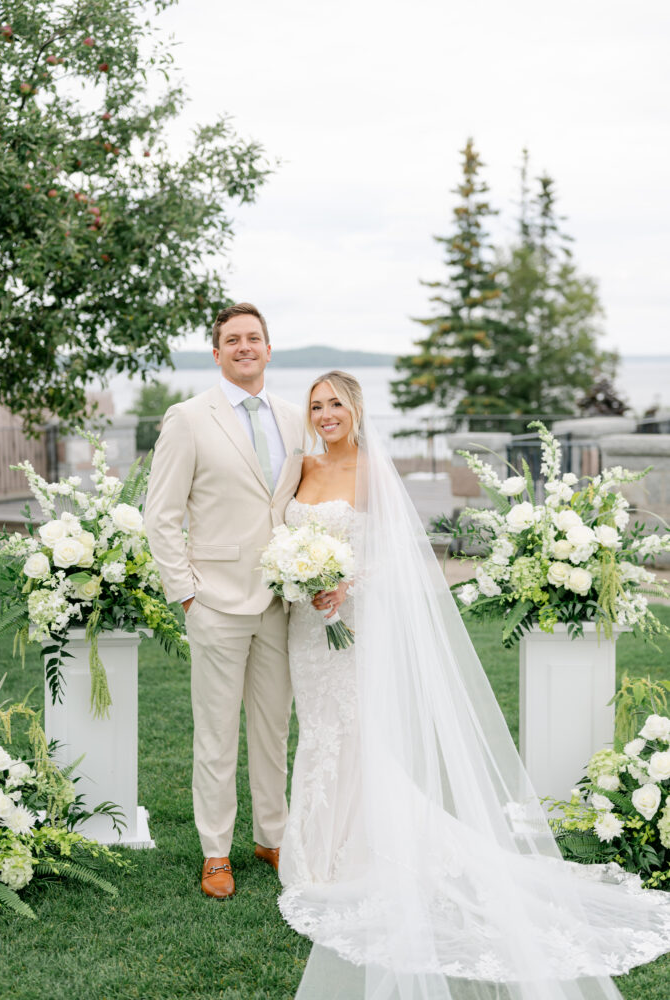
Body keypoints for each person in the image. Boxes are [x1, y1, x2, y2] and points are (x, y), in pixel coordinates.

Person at [278, 370, 670, 1000]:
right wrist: (296, 576)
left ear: (356, 410)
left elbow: (398, 554)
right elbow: (288, 535)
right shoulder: (299, 468)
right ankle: (314, 846)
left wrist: (346, 584)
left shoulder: (374, 472)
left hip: (352, 618)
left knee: (353, 727)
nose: (325, 415)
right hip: (306, 623)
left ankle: (355, 852)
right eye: (316, 405)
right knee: (319, 727)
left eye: (336, 405)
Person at [144, 302, 305, 899]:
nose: (244, 347)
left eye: (253, 338)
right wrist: (187, 594)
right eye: (232, 340)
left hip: (282, 603)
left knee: (274, 729)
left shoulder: (294, 418)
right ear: (217, 354)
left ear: (268, 348)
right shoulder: (188, 418)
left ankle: (273, 837)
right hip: (215, 602)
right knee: (215, 734)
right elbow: (160, 515)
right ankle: (216, 851)